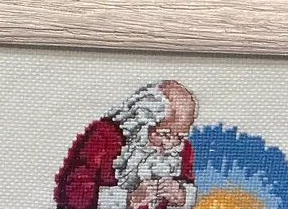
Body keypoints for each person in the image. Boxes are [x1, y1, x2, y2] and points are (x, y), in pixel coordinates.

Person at [55, 81, 198, 209]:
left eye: (179, 136)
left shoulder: (181, 150)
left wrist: (181, 196)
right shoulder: (104, 136)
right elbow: (73, 192)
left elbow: (188, 185)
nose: (169, 144)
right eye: (164, 134)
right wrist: (128, 199)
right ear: (143, 121)